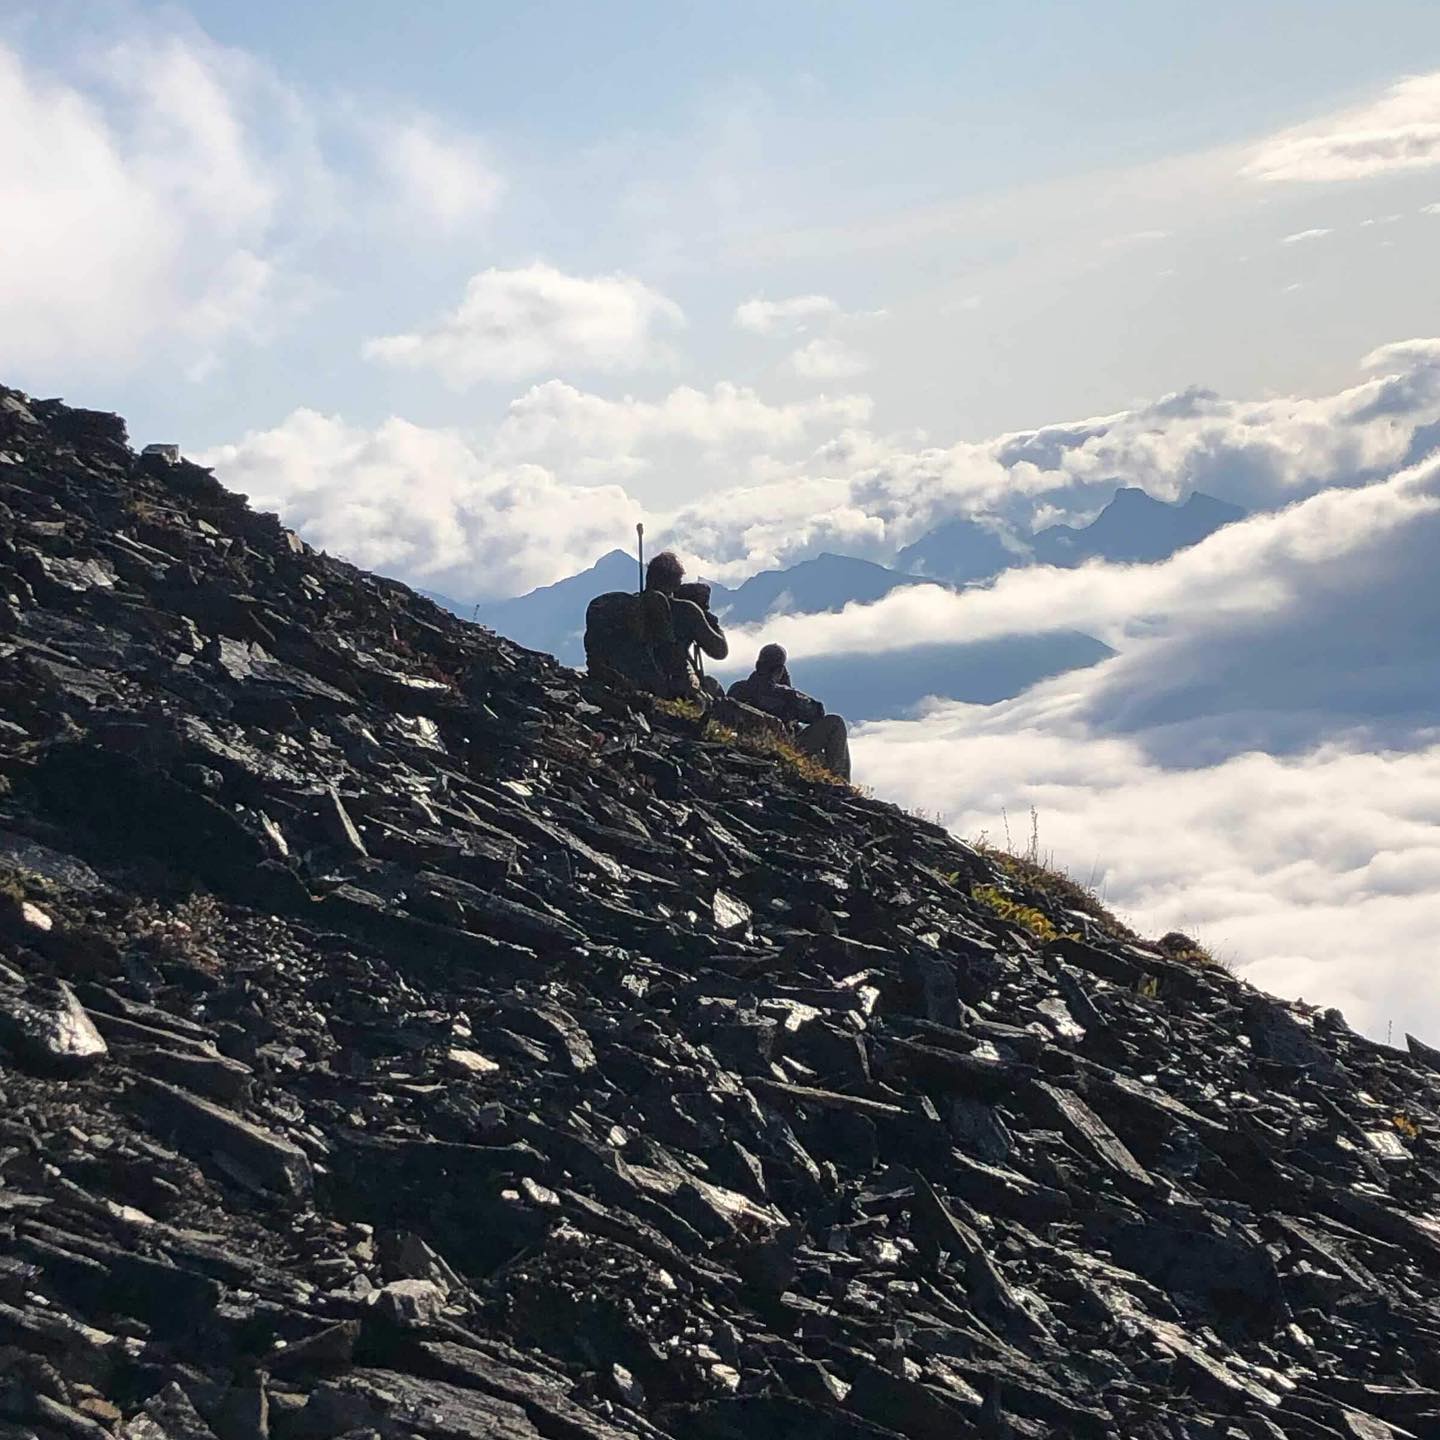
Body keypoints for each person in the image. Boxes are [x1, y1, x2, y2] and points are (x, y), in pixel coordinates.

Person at [584, 551, 727, 703]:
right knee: (713, 686)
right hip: (669, 687)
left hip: (617, 680)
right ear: (676, 581)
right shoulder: (686, 610)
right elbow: (719, 651)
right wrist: (710, 620)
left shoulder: (623, 606)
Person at [727, 643, 851, 780]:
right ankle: (840, 780)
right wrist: (787, 687)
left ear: (757, 665)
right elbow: (818, 712)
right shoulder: (786, 695)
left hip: (746, 745)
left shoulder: (738, 688)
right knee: (835, 723)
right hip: (785, 747)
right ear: (780, 670)